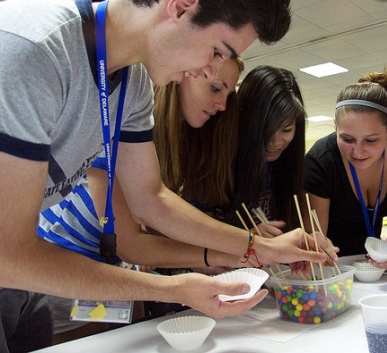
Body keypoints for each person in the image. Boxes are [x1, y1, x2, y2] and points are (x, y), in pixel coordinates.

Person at [0, 0, 335, 350]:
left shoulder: (134, 85)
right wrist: (174, 287)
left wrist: (260, 247)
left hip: (26, 291)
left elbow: (152, 200)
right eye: (218, 51)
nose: (211, 70)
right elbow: (9, 254)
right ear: (181, 7)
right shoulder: (33, 48)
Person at [38, 58, 247, 343]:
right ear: (185, 73)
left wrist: (214, 256)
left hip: (117, 271)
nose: (221, 104)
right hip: (64, 265)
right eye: (215, 88)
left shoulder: (182, 140)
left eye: (227, 94)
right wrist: (234, 250)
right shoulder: (121, 121)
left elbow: (147, 232)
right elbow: (132, 241)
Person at [305, 78, 387, 268]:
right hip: (331, 266)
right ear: (336, 126)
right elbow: (315, 234)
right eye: (347, 139)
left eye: (371, 140)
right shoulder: (321, 161)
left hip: (375, 267)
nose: (358, 152)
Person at [227, 65, 308, 237]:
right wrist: (246, 238)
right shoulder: (222, 163)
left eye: (286, 130)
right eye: (266, 130)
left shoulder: (288, 165)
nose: (276, 142)